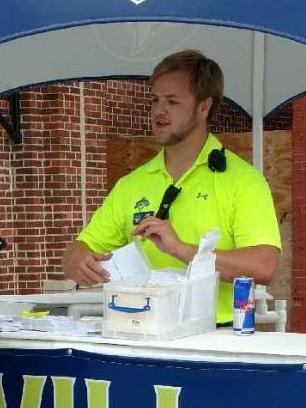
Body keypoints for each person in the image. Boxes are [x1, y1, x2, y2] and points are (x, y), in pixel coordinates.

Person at [64, 49, 281, 323]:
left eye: (172, 101)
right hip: (140, 336)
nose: (159, 111)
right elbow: (79, 249)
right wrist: (77, 262)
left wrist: (182, 250)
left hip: (215, 342)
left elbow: (263, 266)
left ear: (204, 107)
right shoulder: (132, 183)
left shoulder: (243, 180)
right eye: (154, 100)